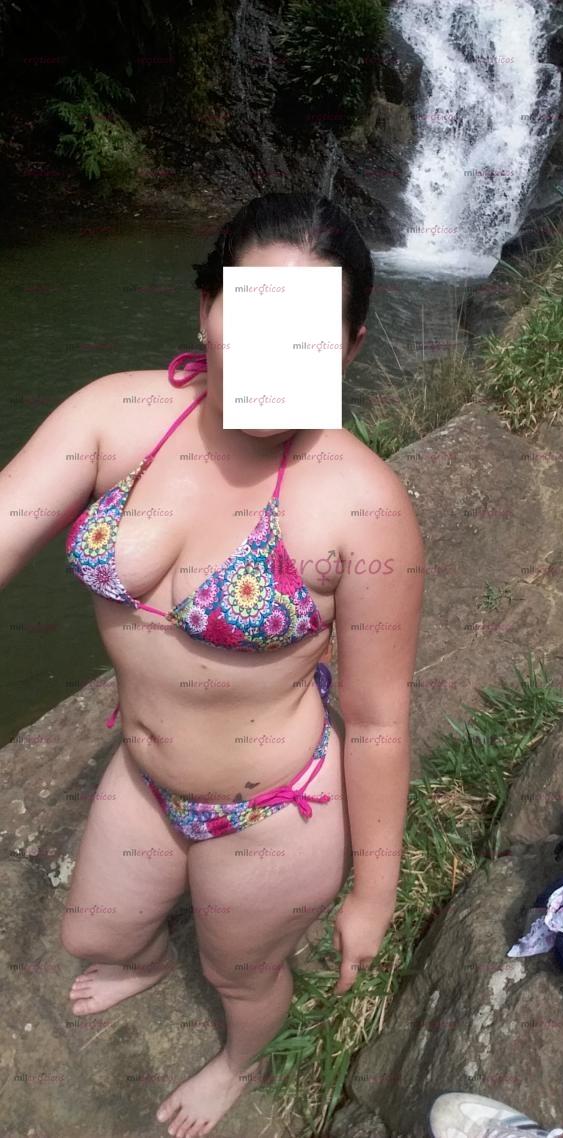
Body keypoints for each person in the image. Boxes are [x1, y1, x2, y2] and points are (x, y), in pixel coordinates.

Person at [0, 191, 425, 1137]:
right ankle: (146, 962)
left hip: (271, 810)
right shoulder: (120, 415)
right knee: (94, 934)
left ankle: (240, 1062)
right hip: (145, 774)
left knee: (240, 975)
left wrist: (374, 891)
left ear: (348, 349)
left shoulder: (361, 505)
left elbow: (376, 719)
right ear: (206, 309)